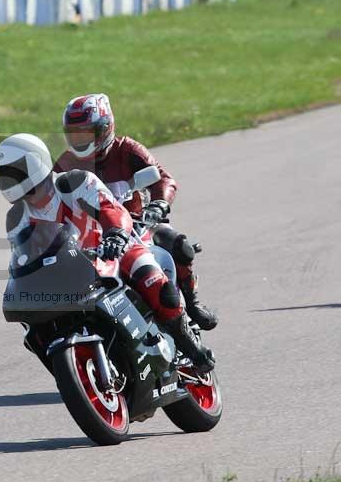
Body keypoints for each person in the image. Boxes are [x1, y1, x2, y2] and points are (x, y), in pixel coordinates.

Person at [0, 133, 215, 372]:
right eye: (4, 175)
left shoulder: (75, 183)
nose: (10, 181)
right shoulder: (16, 217)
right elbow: (23, 255)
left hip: (115, 249)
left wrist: (116, 234)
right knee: (35, 323)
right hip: (70, 270)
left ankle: (193, 350)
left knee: (159, 290)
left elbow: (111, 209)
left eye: (15, 172)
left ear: (36, 163)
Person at [53, 93, 218, 331]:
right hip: (90, 238)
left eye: (88, 133)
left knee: (179, 244)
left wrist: (159, 204)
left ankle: (191, 306)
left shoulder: (128, 150)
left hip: (139, 226)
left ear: (106, 128)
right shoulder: (65, 163)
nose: (81, 140)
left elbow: (163, 179)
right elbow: (50, 200)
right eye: (75, 134)